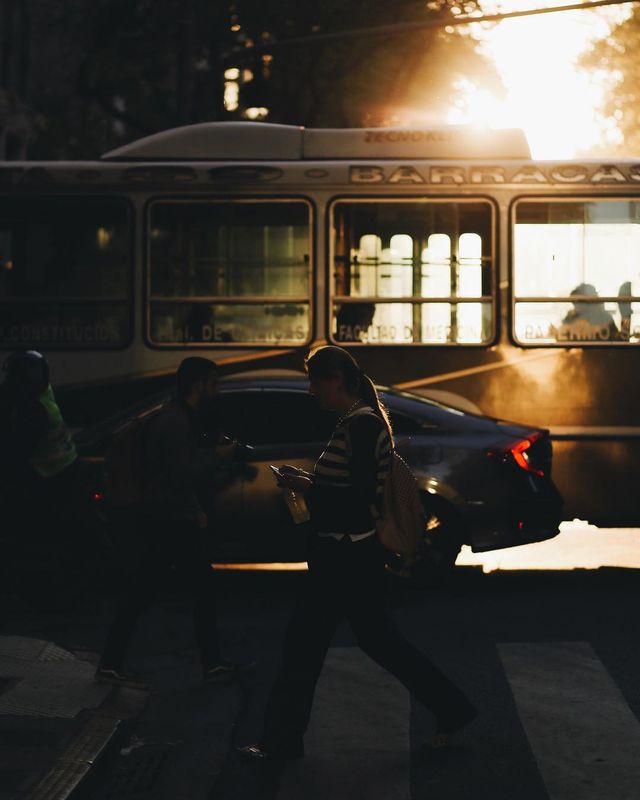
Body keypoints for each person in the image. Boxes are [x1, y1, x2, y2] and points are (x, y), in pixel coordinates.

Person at [240, 345, 476, 760]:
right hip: (347, 555)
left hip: (345, 556)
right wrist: (310, 480)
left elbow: (361, 495)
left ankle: (280, 743)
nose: (312, 390)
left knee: (304, 649)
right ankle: (452, 709)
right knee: (375, 643)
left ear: (337, 381)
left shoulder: (362, 424)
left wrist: (309, 486)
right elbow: (352, 486)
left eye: (316, 381)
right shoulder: (355, 421)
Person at [96, 357, 247, 689]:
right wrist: (216, 462)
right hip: (172, 521)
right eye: (213, 383)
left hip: (168, 518)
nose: (216, 390)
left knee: (153, 590)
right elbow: (180, 476)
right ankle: (208, 664)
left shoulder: (177, 418)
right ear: (198, 385)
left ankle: (114, 661)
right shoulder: (174, 423)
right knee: (177, 591)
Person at [0, 350, 100, 599]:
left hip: (46, 477)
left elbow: (17, 449)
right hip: (65, 471)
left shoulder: (31, 407)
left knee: (39, 535)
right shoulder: (44, 395)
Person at [555, 283, 620, 342]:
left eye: (579, 302)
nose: (576, 305)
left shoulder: (604, 318)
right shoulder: (571, 318)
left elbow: (615, 340)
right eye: (575, 302)